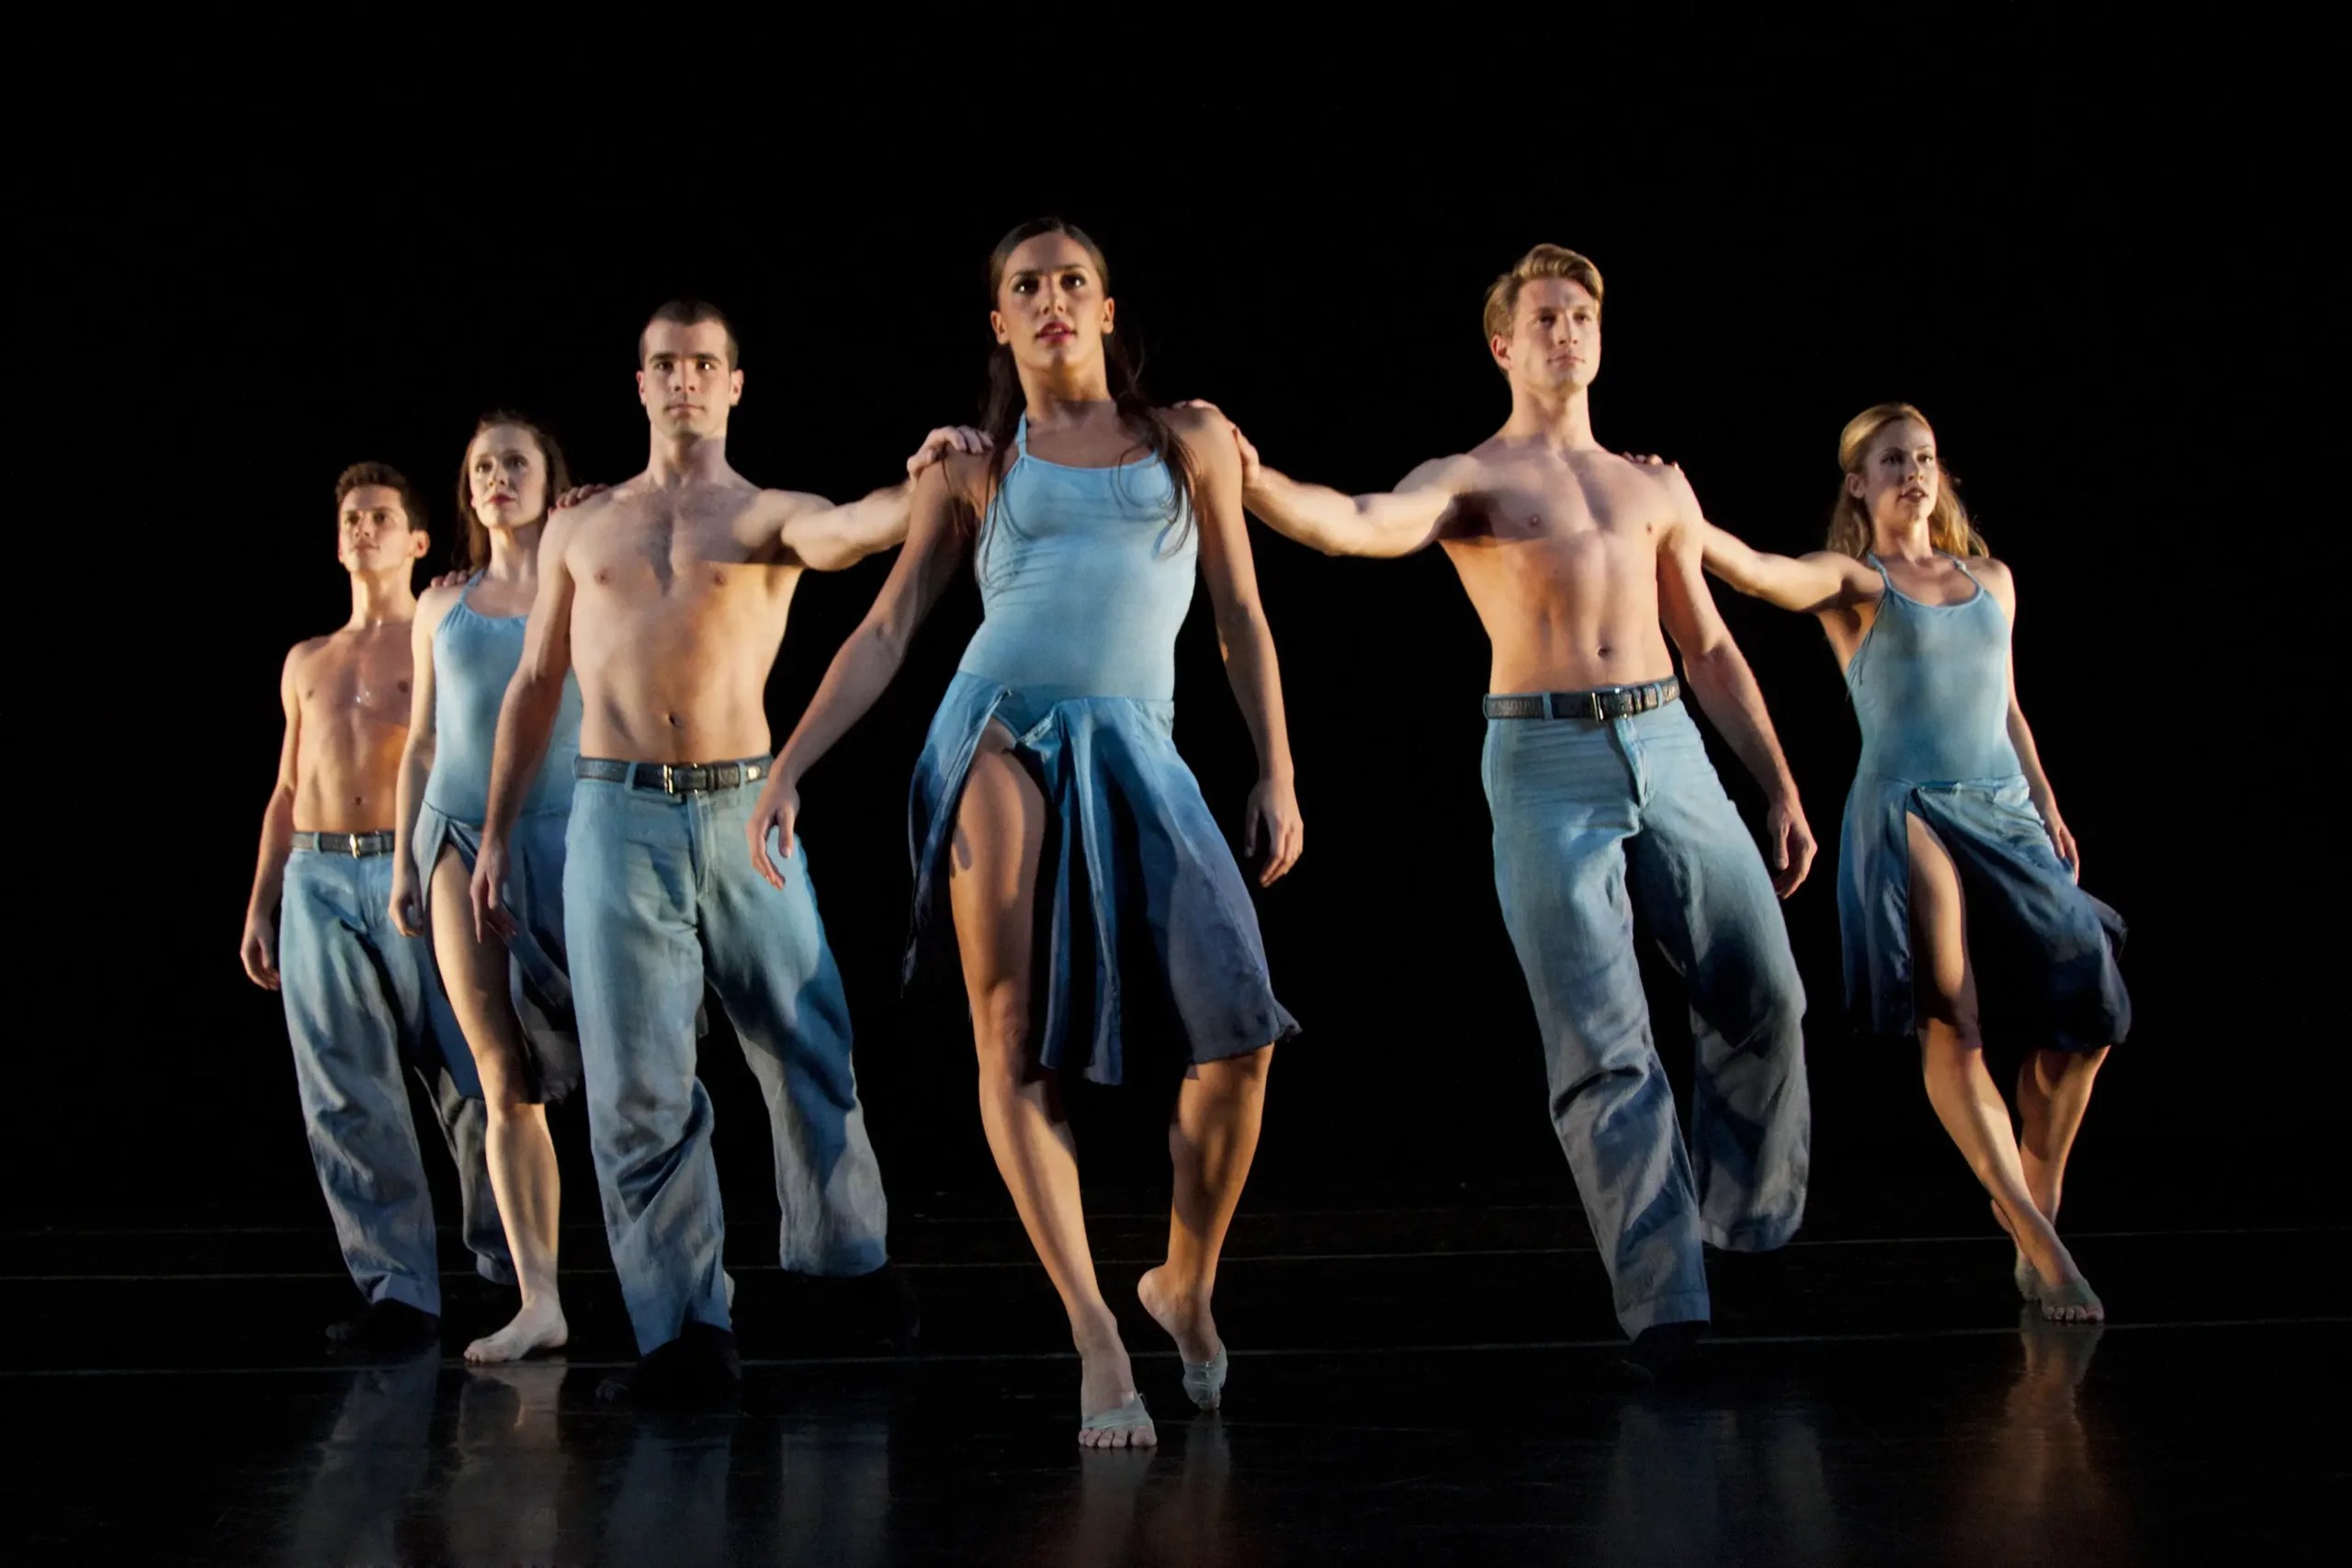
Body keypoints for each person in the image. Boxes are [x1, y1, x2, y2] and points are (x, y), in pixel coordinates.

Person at [750, 220, 1302, 1447]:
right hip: (994, 727)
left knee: (1241, 1034)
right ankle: (1095, 1331)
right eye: (1024, 287)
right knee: (1011, 1033)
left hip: (1139, 745)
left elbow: (1242, 614)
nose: (1051, 299)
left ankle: (1183, 1279)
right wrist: (789, 767)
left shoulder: (1192, 440)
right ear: (999, 323)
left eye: (1072, 282)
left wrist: (1277, 767)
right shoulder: (972, 467)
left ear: (1108, 310)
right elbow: (888, 631)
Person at [1221, 244, 1813, 1374]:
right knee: (1603, 1041)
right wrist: (1253, 481)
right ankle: (1668, 1307)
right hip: (1543, 756)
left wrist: (1776, 780)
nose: (1565, 331)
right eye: (1543, 316)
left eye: (1581, 313)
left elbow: (1713, 645)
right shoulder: (1470, 476)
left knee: (1765, 997)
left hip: (1668, 739)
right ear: (1504, 345)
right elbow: (1358, 522)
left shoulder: (1654, 484)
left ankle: (1746, 1238)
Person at [480, 299, 987, 1404]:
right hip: (615, 814)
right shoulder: (582, 525)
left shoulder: (767, 515)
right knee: (639, 1084)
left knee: (806, 1042)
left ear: (734, 384)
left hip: (745, 806)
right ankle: (683, 1333)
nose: (684, 381)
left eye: (704, 364)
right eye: (665, 363)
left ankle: (843, 1271)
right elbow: (533, 684)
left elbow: (859, 527)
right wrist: (502, 827)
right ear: (641, 381)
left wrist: (932, 471)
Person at [1699, 402, 2125, 1322]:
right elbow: (1766, 576)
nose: (1913, 472)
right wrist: (1674, 519)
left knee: (2087, 1014)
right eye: (1891, 460)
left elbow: (2006, 705)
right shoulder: (1858, 583)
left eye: (1924, 457)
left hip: (2003, 805)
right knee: (1951, 1018)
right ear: (1859, 482)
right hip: (1910, 809)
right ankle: (2042, 1246)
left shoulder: (1993, 581)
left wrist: (2046, 798)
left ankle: (2028, 1204)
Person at [240, 462, 512, 1348]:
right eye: (351, 516)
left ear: (417, 540)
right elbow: (285, 788)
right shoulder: (307, 660)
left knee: (473, 1074)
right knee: (344, 1087)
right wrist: (261, 900)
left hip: (413, 864)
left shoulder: (439, 629)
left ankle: (505, 1269)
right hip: (318, 873)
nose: (362, 528)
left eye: (380, 516)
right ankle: (400, 1290)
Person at [390, 413, 584, 1363]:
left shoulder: (584, 580)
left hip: (571, 838)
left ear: (552, 480)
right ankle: (538, 1295)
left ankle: (674, 1287)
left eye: (515, 462)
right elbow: (423, 740)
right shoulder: (442, 604)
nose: (496, 478)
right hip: (456, 841)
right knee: (502, 1078)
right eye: (480, 467)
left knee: (630, 1071)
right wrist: (402, 860)